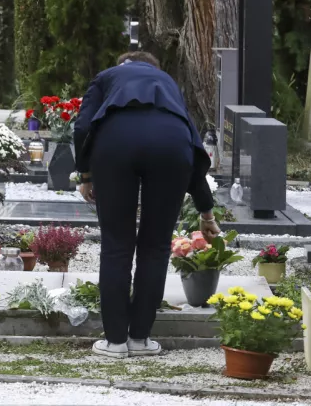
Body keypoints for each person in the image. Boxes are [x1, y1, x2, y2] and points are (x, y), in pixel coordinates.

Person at [73, 51, 220, 359]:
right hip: (171, 145)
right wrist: (207, 214)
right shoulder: (167, 84)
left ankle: (114, 342)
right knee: (154, 246)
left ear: (122, 65)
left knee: (116, 244)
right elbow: (193, 151)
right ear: (154, 68)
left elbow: (83, 126)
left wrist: (85, 174)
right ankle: (140, 339)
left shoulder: (107, 77)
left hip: (115, 144)